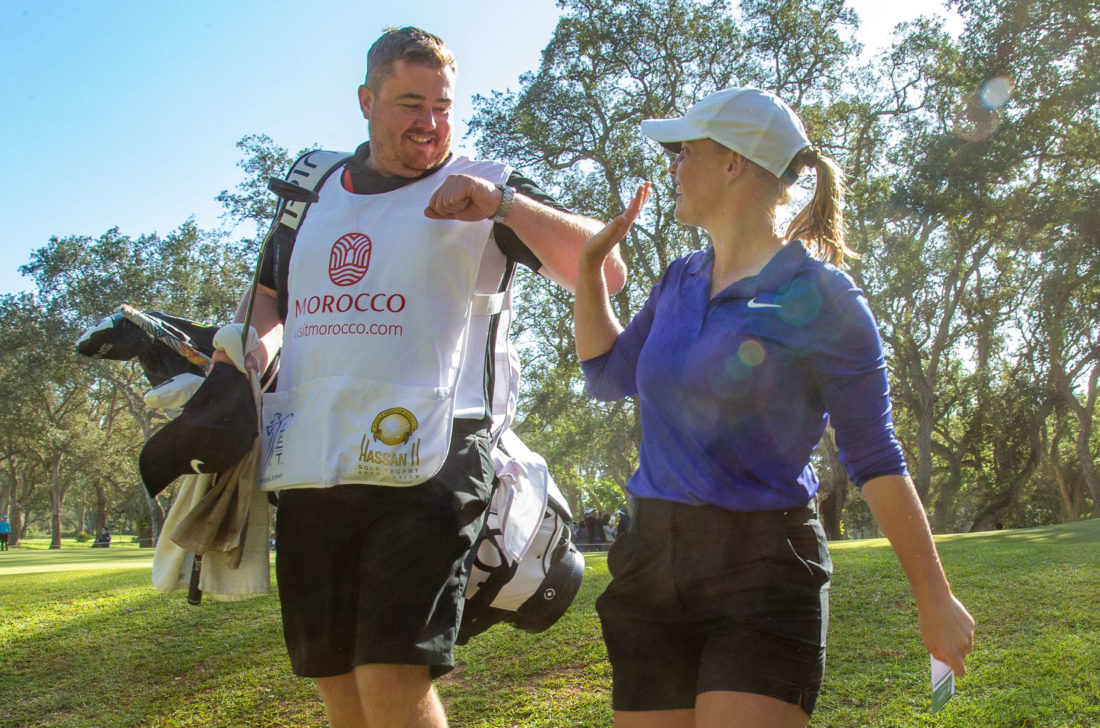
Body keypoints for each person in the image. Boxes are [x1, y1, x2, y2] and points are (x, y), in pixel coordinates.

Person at [210, 27, 624, 728]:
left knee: (391, 679)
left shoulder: (483, 187)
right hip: (312, 458)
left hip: (428, 461)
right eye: (410, 103)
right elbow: (272, 297)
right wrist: (243, 347)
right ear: (367, 101)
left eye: (443, 105)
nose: (430, 124)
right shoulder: (309, 190)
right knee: (339, 684)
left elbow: (603, 267)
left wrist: (505, 206)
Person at [573, 88, 975, 728]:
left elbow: (874, 456)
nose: (673, 166)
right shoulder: (678, 279)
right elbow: (605, 376)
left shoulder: (825, 298)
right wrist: (590, 271)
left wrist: (936, 598)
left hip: (761, 572)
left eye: (685, 151)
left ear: (733, 163)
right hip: (649, 565)